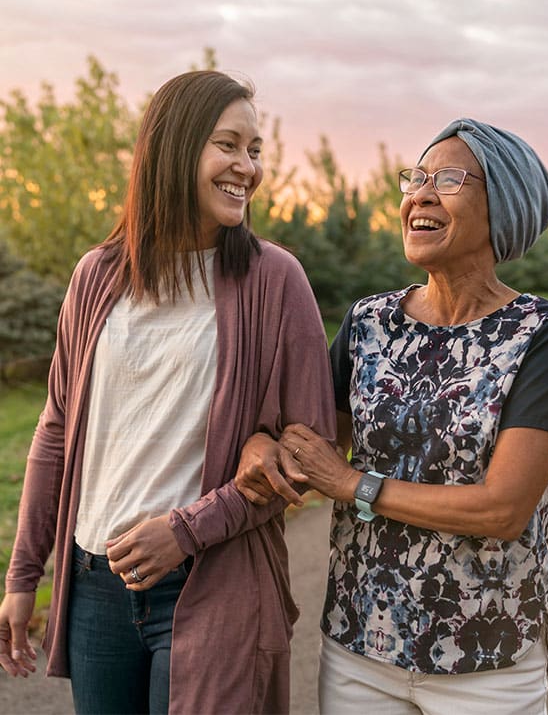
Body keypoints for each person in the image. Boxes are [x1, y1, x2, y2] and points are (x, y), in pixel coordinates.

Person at [0, 70, 336, 715]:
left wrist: (187, 530)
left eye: (255, 150)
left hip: (214, 579)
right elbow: (54, 431)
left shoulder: (274, 280)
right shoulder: (97, 276)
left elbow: (307, 451)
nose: (248, 166)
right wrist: (23, 576)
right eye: (228, 145)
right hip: (96, 582)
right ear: (174, 148)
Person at [236, 118, 548, 715]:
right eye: (415, 177)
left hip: (488, 661)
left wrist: (352, 484)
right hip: (359, 649)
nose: (419, 193)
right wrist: (261, 447)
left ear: (502, 206)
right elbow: (311, 448)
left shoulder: (544, 336)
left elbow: (502, 510)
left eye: (448, 178)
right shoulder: (369, 322)